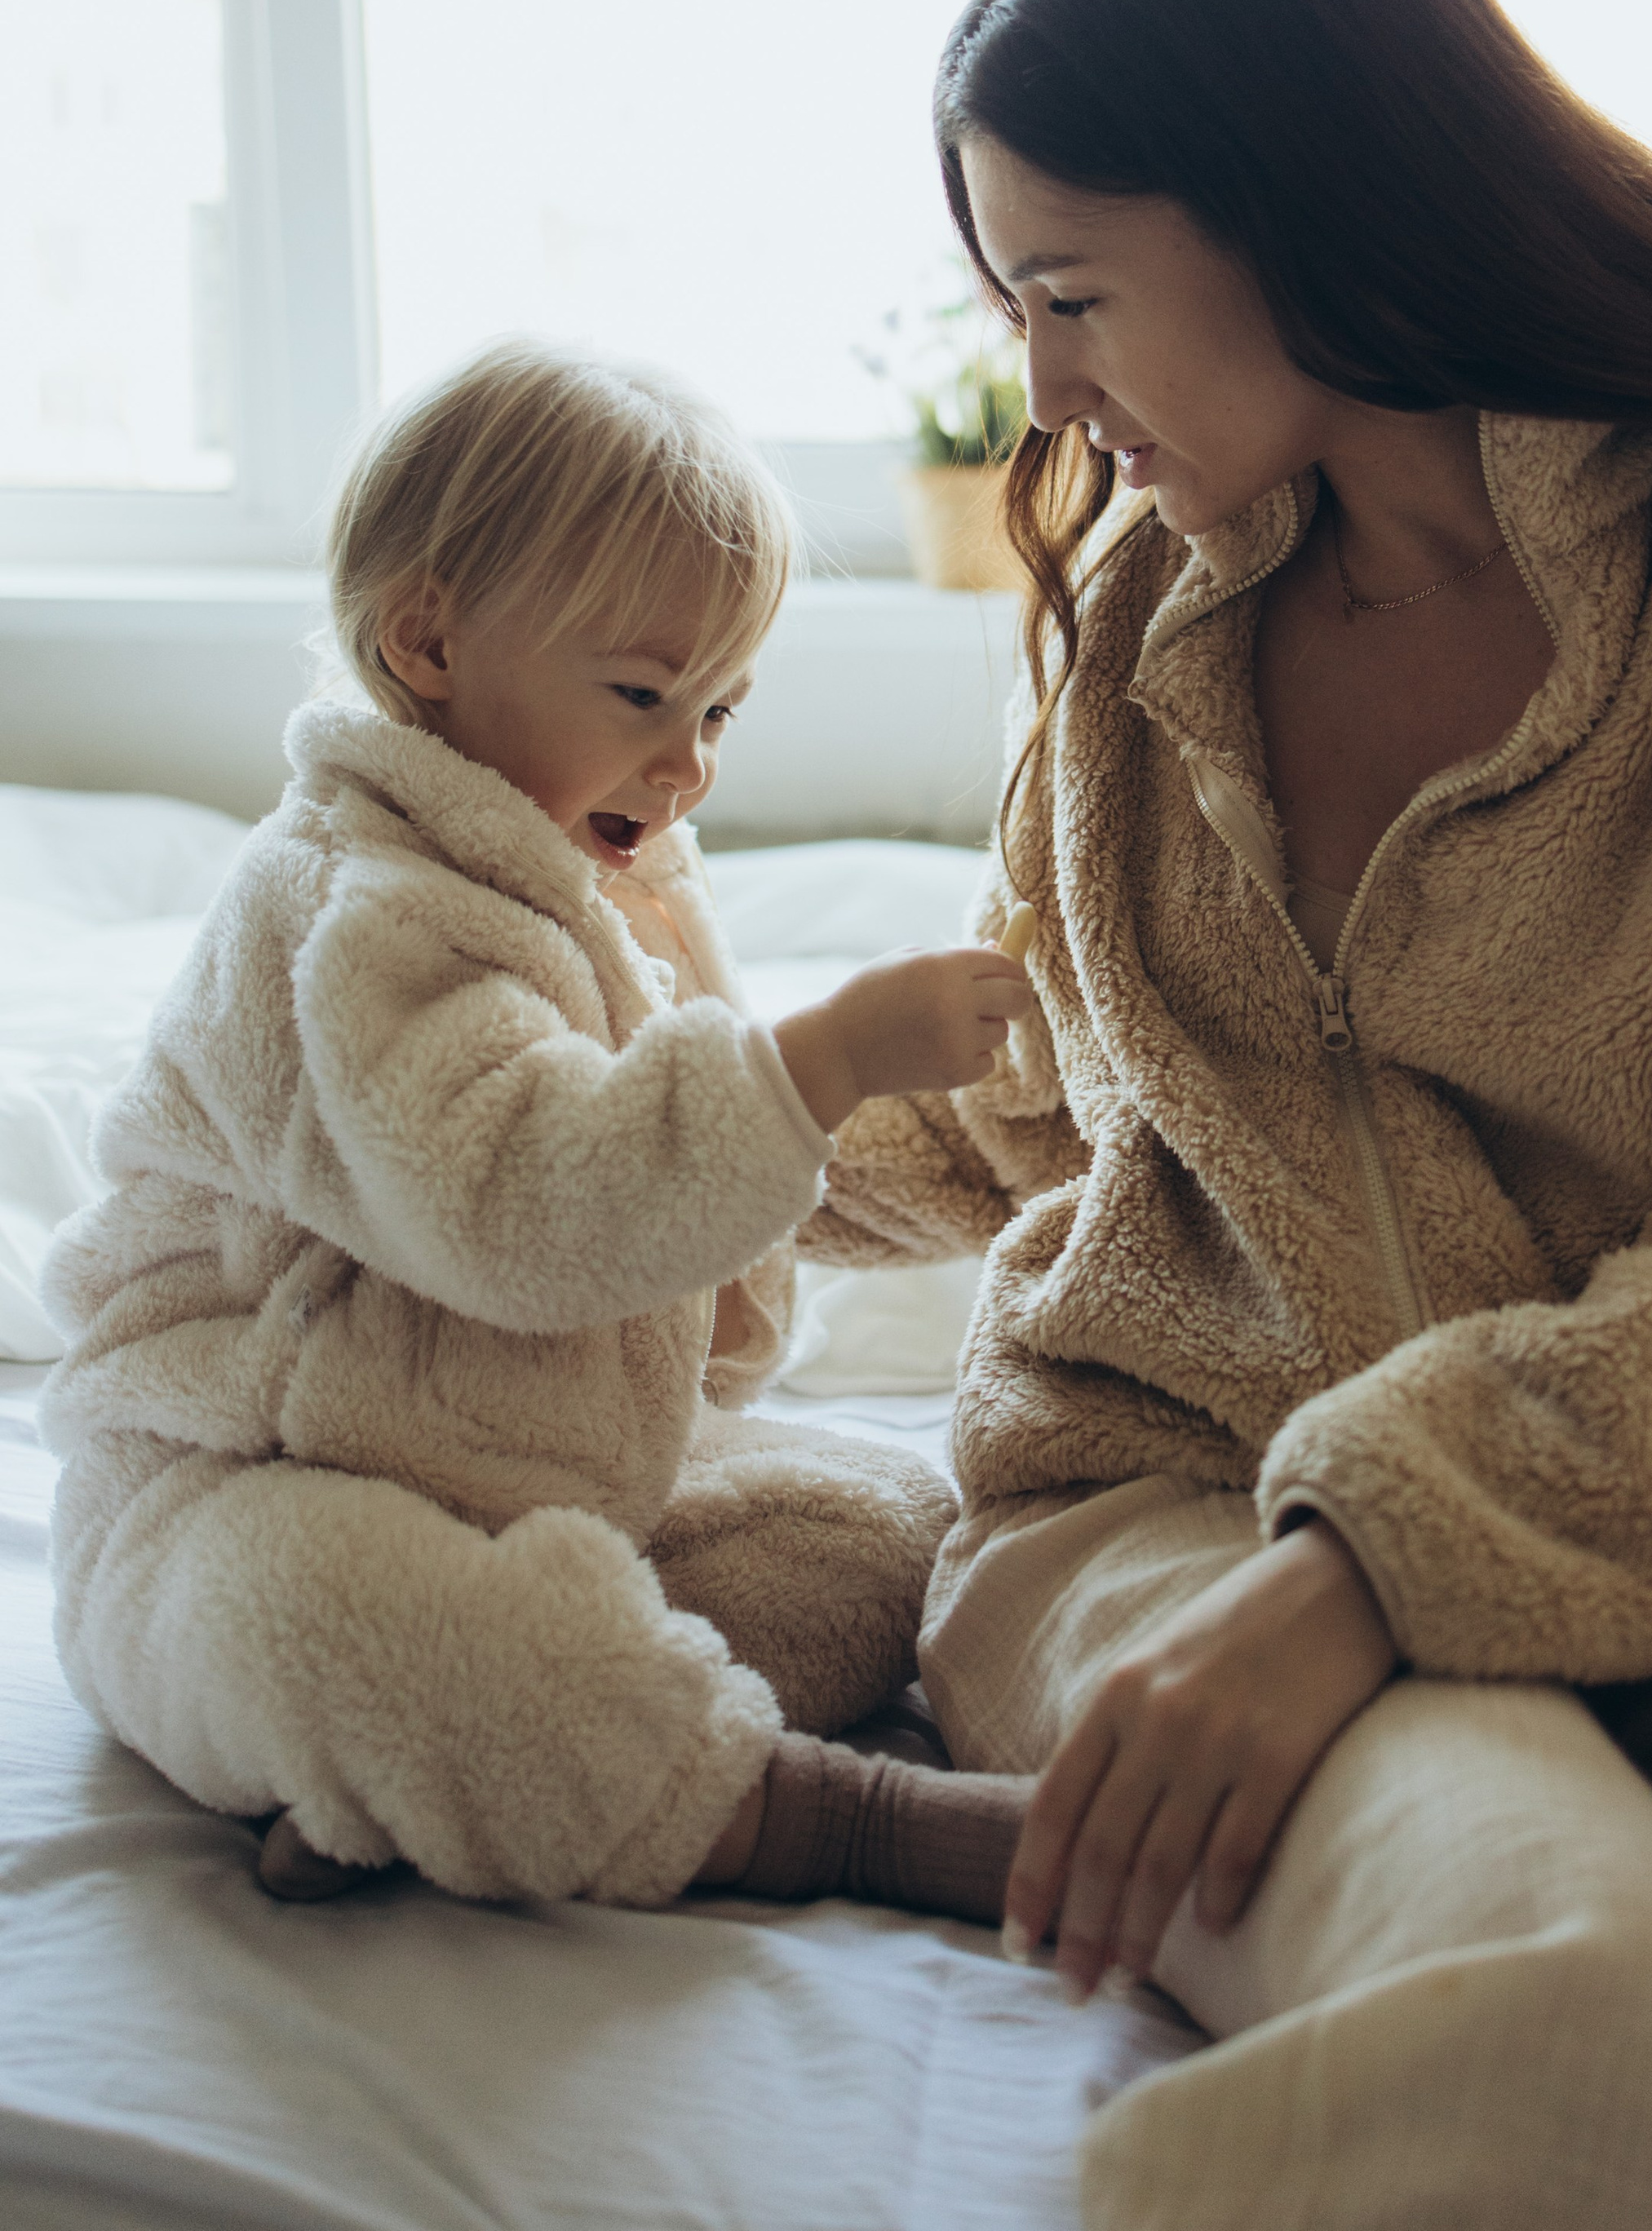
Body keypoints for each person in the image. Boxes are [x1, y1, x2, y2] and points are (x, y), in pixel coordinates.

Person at [813, 0, 1652, 2229]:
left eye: (1070, 290)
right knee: (1608, 2020)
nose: (1039, 387)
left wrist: (1387, 1559)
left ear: (1303, 204)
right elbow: (1040, 1085)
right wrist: (637, 1152)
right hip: (1170, 1513)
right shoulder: (1144, 615)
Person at [38, 341, 1031, 1922]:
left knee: (895, 1536)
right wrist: (821, 1057)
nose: (687, 760)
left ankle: (423, 1788)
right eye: (642, 694)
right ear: (426, 640)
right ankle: (823, 1818)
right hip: (231, 1490)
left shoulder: (598, 884)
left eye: (720, 706)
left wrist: (940, 1130)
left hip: (506, 1482)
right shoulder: (354, 912)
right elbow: (518, 1198)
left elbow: (712, 1255)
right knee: (361, 1629)